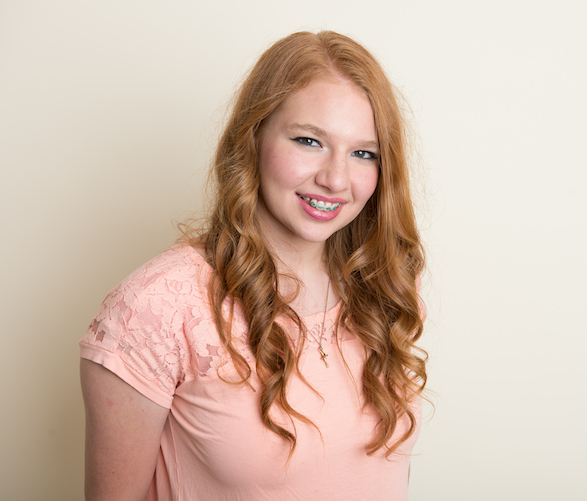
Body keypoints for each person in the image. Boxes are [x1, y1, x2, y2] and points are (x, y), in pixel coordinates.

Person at [79, 31, 427, 500]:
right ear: (253, 136)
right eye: (309, 140)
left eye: (363, 153)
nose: (336, 178)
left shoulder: (384, 288)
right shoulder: (158, 307)